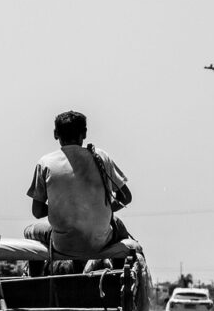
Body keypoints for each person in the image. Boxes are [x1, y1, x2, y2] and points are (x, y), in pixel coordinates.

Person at [24, 110, 133, 257]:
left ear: (56, 134)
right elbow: (126, 197)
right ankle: (118, 272)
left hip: (63, 245)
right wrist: (103, 210)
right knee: (117, 225)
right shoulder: (101, 157)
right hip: (100, 242)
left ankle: (35, 278)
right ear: (85, 133)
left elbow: (37, 212)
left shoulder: (45, 163)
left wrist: (62, 208)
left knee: (29, 230)